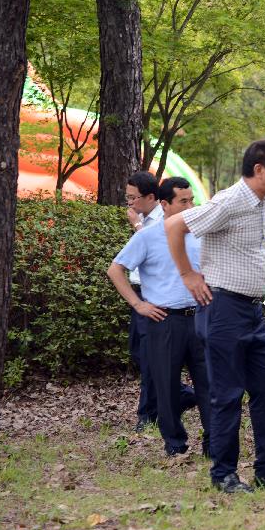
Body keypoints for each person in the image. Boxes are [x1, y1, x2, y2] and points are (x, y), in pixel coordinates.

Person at [165, 139, 265, 493]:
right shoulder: (230, 200)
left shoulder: (258, 202)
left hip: (250, 312)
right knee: (227, 394)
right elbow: (174, 227)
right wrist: (188, 275)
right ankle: (224, 474)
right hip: (223, 310)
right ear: (259, 169)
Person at [108, 177, 211, 457]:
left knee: (209, 384)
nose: (191, 205)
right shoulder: (147, 236)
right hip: (164, 320)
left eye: (192, 200)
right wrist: (138, 304)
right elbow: (115, 270)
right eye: (184, 201)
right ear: (164, 204)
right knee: (165, 386)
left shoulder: (200, 233)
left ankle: (213, 442)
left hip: (200, 317)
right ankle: (175, 444)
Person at [125, 171, 165, 431]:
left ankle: (148, 413)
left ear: (151, 197)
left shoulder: (162, 220)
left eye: (133, 198)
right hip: (139, 293)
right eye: (127, 198)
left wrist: (137, 227)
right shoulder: (143, 217)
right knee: (138, 351)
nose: (130, 203)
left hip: (155, 294)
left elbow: (157, 250)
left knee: (149, 354)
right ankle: (176, 393)